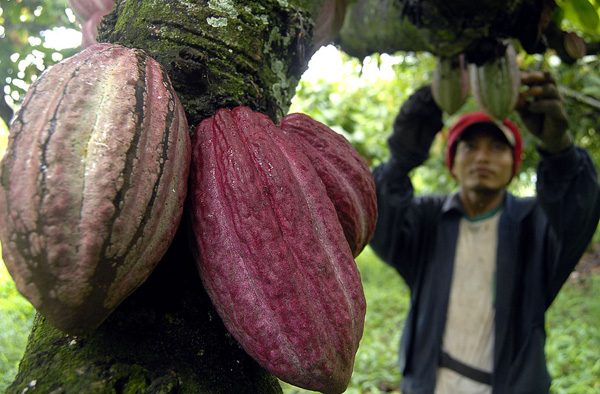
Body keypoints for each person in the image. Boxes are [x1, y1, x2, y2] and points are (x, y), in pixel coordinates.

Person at [369, 71, 600, 393]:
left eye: (496, 146)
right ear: (453, 162)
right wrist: (400, 160)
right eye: (469, 146)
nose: (482, 157)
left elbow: (578, 210)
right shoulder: (427, 219)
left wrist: (560, 151)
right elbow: (381, 222)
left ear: (513, 164)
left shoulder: (534, 223)